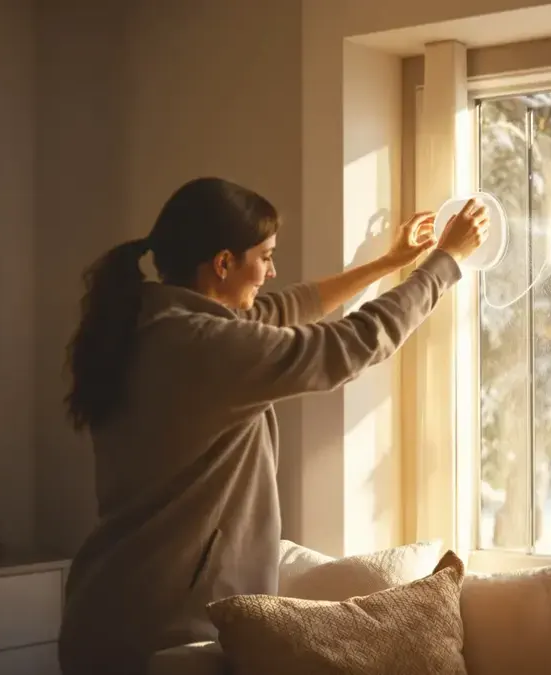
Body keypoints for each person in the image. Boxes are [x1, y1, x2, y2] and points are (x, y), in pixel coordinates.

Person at [57, 177, 488, 675]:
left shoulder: (153, 322)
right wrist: (445, 263)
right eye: (264, 257)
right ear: (223, 263)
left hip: (115, 611)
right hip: (161, 635)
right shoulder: (201, 348)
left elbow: (284, 308)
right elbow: (351, 344)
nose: (272, 270)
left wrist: (391, 263)